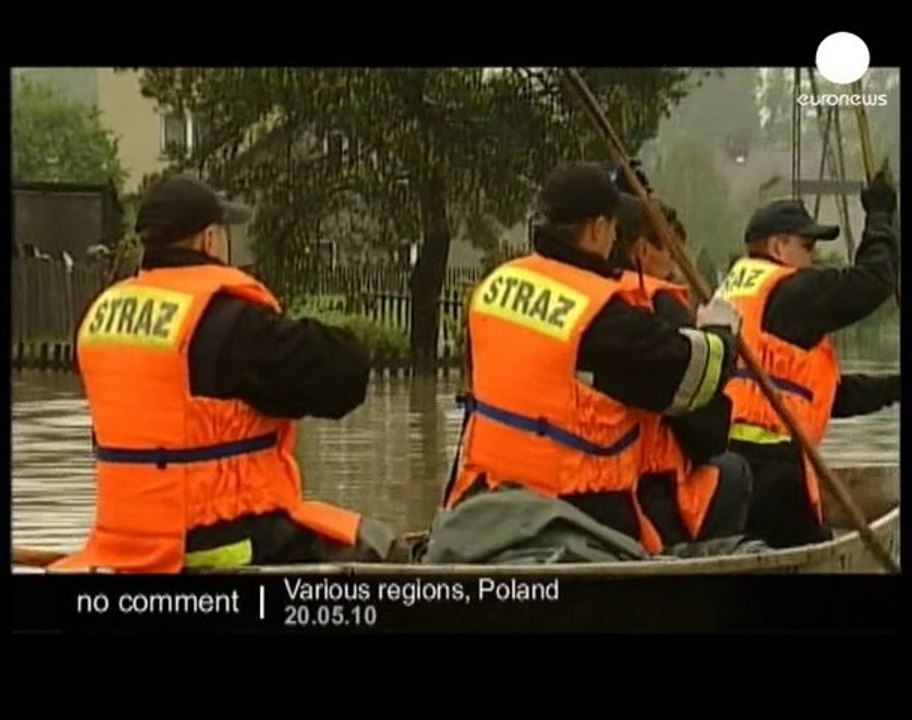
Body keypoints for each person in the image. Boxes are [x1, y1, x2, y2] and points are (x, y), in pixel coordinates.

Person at [52, 174, 404, 573]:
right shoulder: (227, 320)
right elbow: (343, 379)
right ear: (208, 239)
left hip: (124, 543)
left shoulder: (102, 316)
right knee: (383, 551)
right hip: (220, 541)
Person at [439, 162, 743, 557]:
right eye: (613, 228)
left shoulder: (496, 284)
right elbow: (694, 374)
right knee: (732, 482)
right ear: (599, 229)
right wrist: (721, 334)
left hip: (480, 497)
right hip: (574, 510)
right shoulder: (601, 314)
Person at [720, 169, 901, 548]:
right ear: (777, 246)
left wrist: (893, 387)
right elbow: (871, 284)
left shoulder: (736, 290)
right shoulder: (789, 291)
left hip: (728, 465)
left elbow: (818, 394)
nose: (813, 257)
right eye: (807, 246)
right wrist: (881, 217)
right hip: (773, 470)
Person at [608, 193, 753, 547]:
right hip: (645, 490)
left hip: (586, 478)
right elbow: (706, 433)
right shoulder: (660, 307)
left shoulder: (595, 301)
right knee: (734, 470)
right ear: (642, 251)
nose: (676, 265)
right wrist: (719, 339)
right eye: (671, 252)